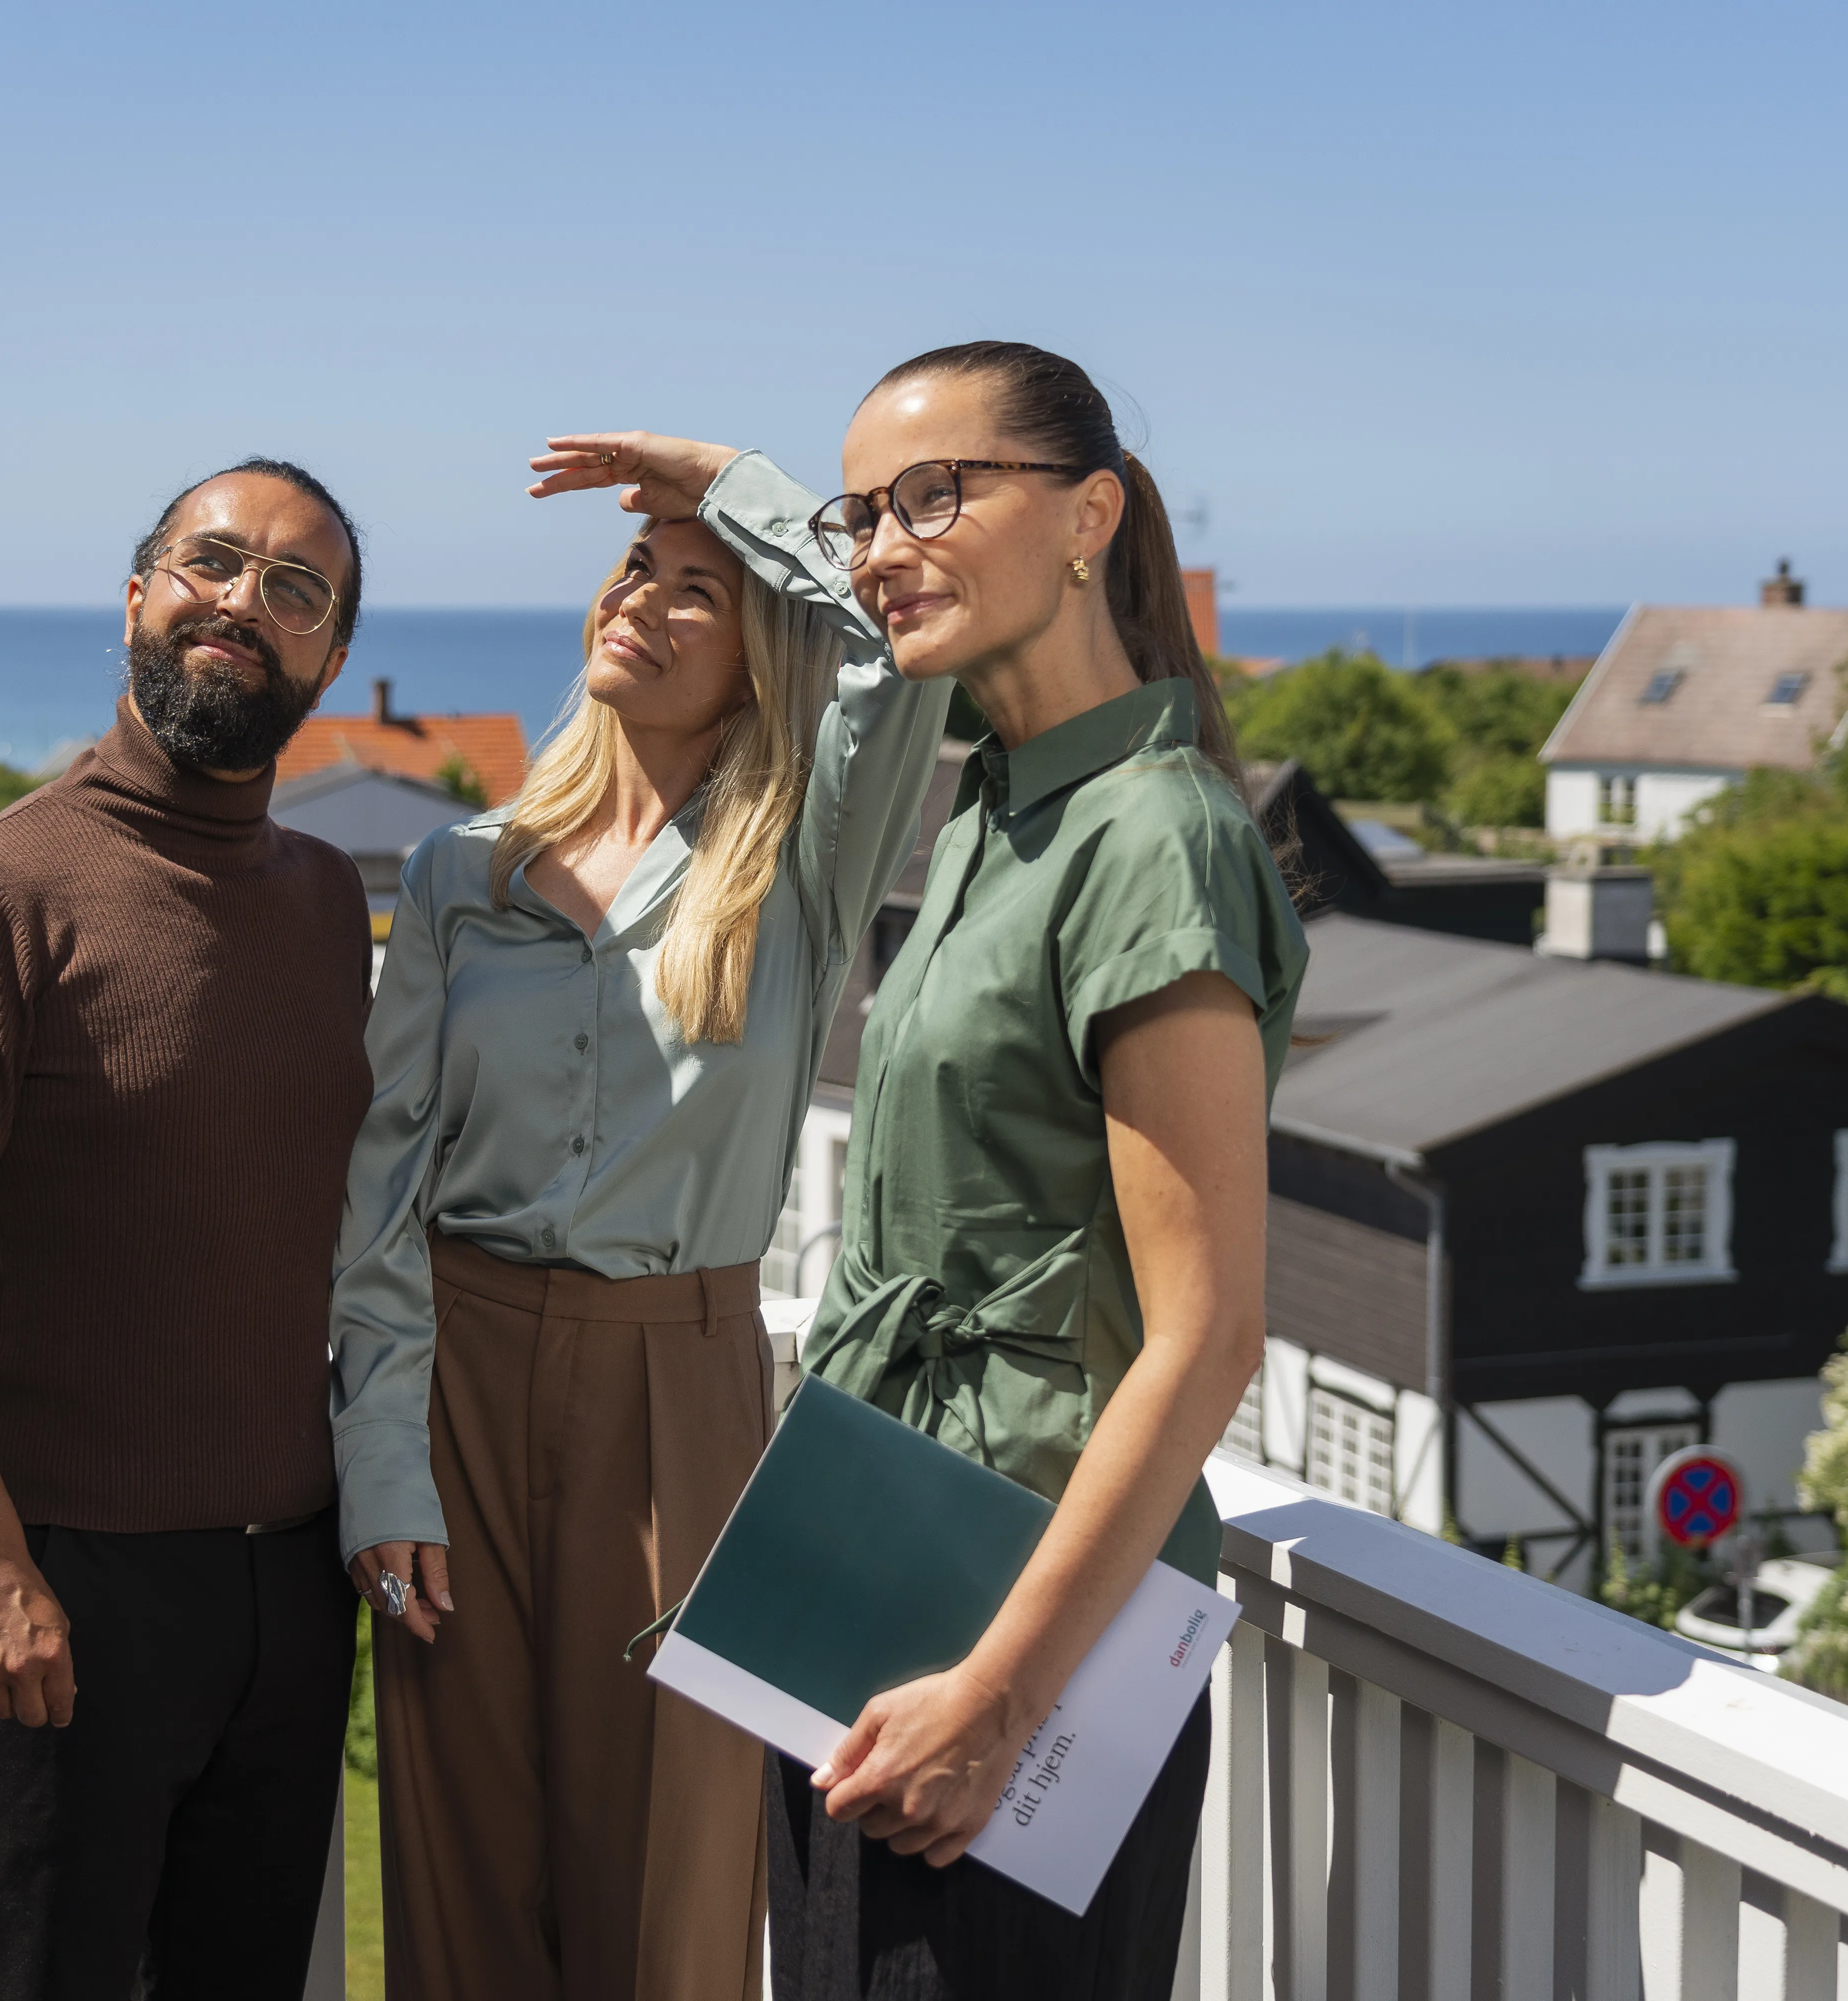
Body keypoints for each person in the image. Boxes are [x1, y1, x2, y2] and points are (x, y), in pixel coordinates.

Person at [328, 438, 953, 1999]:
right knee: (462, 1857)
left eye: (701, 594)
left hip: (679, 1385)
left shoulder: (802, 861)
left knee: (669, 1870)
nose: (649, 604)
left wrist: (721, 474)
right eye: (638, 573)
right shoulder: (463, 872)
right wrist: (384, 1464)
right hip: (457, 1380)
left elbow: (888, 644)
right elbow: (381, 1196)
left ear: (758, 665)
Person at [758, 344, 1308, 2000]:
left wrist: (999, 1697)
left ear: (1090, 515)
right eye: (864, 514)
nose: (880, 547)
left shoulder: (1154, 834)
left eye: (937, 493)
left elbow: (1204, 1333)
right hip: (878, 1562)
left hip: (1018, 1625)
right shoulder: (994, 809)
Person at [0, 459, 372, 2000]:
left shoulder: (329, 902)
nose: (242, 604)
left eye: (294, 589)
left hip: (293, 1586)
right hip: (64, 1592)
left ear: (325, 662)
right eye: (210, 564)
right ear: (138, 598)